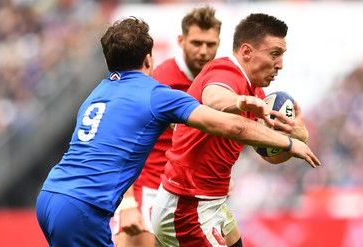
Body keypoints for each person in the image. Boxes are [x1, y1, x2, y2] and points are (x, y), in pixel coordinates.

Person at [35, 16, 320, 247]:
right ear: (149, 60)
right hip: (89, 205)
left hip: (51, 195)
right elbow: (222, 117)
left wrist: (297, 136)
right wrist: (290, 143)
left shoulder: (96, 94)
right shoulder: (157, 93)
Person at [151, 13, 313, 247]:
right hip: (188, 205)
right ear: (247, 52)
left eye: (282, 55)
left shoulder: (255, 92)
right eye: (275, 54)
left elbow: (270, 155)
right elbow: (214, 97)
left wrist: (298, 137)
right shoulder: (224, 72)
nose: (280, 64)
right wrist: (239, 103)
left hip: (210, 201)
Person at [111, 5, 223, 247]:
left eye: (210, 44)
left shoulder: (219, 83)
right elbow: (122, 142)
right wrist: (128, 202)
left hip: (192, 195)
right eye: (196, 43)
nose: (203, 51)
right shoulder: (160, 81)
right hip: (149, 189)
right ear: (181, 41)